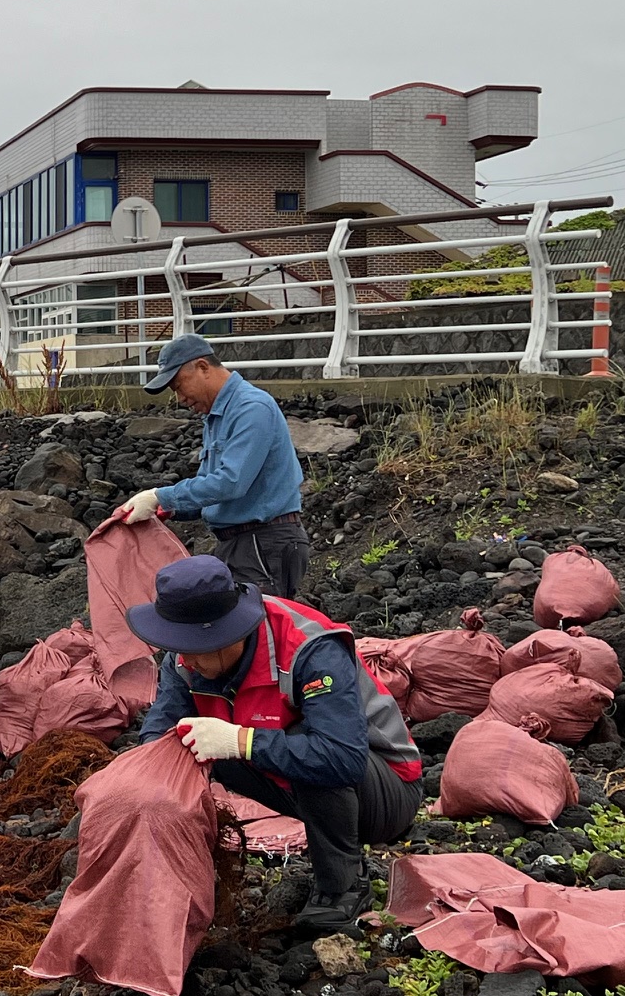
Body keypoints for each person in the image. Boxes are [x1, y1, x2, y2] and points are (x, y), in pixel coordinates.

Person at [130, 553, 422, 936]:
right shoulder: (183, 660)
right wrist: (145, 776)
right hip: (291, 780)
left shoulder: (310, 649)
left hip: (383, 790)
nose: (183, 658)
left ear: (229, 635)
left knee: (305, 746)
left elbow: (343, 760)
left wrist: (240, 740)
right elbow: (163, 727)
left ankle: (343, 885)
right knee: (186, 744)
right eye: (176, 644)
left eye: (193, 647)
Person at [114, 332, 310, 601]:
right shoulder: (217, 416)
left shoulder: (251, 408)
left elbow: (230, 482)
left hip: (264, 543)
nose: (180, 398)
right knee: (235, 633)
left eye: (178, 385)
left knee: (257, 634)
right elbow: (213, 491)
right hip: (243, 543)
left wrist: (161, 496)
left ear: (203, 367)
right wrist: (168, 510)